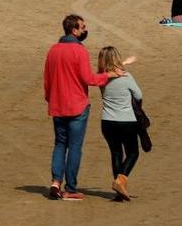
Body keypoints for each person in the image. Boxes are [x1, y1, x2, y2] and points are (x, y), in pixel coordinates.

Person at [43, 15, 128, 201]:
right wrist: (110, 74)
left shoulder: (53, 50)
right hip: (77, 107)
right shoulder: (79, 51)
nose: (84, 30)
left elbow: (47, 79)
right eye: (82, 27)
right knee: (74, 147)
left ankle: (55, 182)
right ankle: (70, 188)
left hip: (57, 105)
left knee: (59, 144)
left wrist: (50, 99)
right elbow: (89, 79)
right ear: (74, 30)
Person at [97, 46, 142, 201]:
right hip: (126, 120)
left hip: (107, 122)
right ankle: (120, 181)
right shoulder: (126, 77)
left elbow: (108, 72)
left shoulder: (101, 77)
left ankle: (119, 191)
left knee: (116, 153)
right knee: (133, 152)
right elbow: (138, 95)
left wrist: (124, 63)